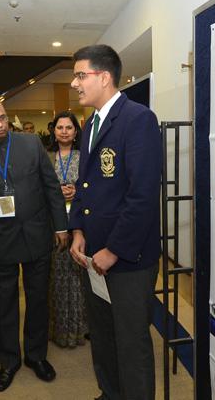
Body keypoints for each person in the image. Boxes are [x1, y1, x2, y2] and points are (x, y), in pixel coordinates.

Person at [69, 45, 162, 400]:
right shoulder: (91, 123)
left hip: (127, 257)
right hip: (94, 253)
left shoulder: (137, 119)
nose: (75, 83)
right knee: (104, 334)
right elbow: (85, 184)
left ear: (103, 77)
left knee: (131, 339)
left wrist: (115, 249)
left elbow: (142, 195)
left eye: (81, 75)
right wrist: (78, 230)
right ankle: (111, 394)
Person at [0, 98, 69, 392]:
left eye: (3, 118)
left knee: (37, 301)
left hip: (37, 236)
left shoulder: (31, 143)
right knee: (3, 305)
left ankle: (36, 357)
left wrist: (60, 226)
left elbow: (50, 187)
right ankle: (9, 361)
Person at [46, 112, 87, 348]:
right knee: (57, 275)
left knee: (80, 272)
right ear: (54, 131)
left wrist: (77, 191)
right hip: (53, 222)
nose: (64, 131)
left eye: (69, 127)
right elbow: (38, 185)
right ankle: (59, 328)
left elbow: (94, 184)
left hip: (81, 221)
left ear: (75, 131)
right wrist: (56, 193)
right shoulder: (46, 155)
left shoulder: (85, 156)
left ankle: (82, 326)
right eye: (60, 127)